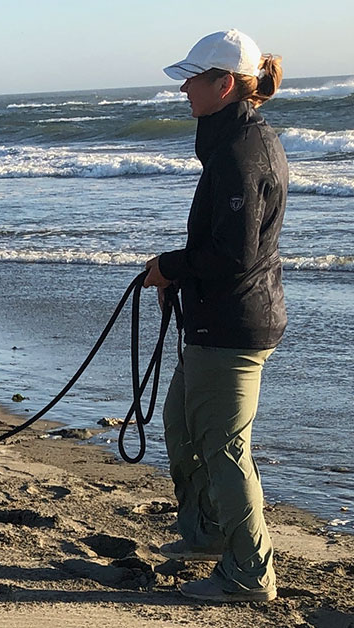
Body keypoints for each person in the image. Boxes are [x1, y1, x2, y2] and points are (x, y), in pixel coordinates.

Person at [143, 29, 286, 603]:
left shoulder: (240, 153)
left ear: (223, 85)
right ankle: (204, 532)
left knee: (225, 446)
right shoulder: (232, 142)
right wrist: (176, 274)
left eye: (192, 80)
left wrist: (172, 267)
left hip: (234, 322)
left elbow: (235, 255)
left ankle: (250, 572)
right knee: (180, 424)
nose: (184, 90)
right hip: (218, 316)